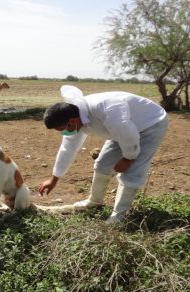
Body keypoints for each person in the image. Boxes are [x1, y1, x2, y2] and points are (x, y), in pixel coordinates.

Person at [38, 85, 168, 224]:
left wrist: (128, 158)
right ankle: (94, 202)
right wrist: (54, 178)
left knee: (131, 173)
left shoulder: (106, 109)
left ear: (72, 122)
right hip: (122, 130)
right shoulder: (76, 118)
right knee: (102, 165)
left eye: (61, 129)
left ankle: (118, 217)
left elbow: (127, 134)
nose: (62, 133)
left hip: (150, 124)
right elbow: (67, 148)